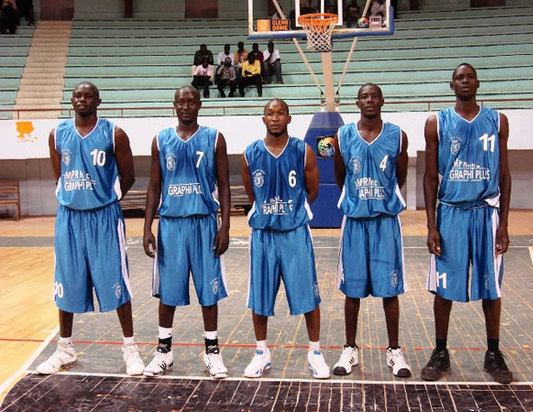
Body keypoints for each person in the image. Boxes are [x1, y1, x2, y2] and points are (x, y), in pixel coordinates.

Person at [36, 82, 144, 376]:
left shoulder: (114, 133)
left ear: (98, 100)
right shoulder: (57, 134)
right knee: (66, 282)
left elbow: (129, 176)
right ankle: (65, 349)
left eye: (88, 96)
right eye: (77, 96)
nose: (82, 100)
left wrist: (105, 198)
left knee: (116, 280)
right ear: (71, 101)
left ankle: (130, 349)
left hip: (104, 217)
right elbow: (59, 177)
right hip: (69, 218)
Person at [421, 63, 513, 384]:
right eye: (459, 77)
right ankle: (441, 351)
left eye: (470, 76)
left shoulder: (498, 120)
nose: (465, 81)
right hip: (450, 213)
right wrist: (431, 225)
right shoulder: (437, 122)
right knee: (443, 288)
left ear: (477, 82)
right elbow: (430, 177)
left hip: (486, 213)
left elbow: (503, 175)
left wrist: (503, 224)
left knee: (491, 286)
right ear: (452, 85)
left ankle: (493, 353)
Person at [142, 86, 230, 379]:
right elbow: (154, 186)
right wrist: (147, 228)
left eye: (191, 101)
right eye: (181, 101)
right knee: (168, 292)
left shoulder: (214, 137)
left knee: (209, 291)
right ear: (174, 104)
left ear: (200, 104)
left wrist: (225, 225)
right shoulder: (161, 139)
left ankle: (212, 351)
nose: (186, 106)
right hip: (171, 224)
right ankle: (164, 352)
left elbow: (224, 185)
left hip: (204, 223)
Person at [241, 98, 330, 380]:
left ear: (289, 118)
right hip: (264, 234)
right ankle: (261, 353)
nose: (275, 118)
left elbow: (312, 191)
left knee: (308, 295)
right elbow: (251, 193)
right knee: (260, 297)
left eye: (281, 113)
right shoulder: (250, 153)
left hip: (295, 233)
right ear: (263, 119)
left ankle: (315, 353)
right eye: (270, 113)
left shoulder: (302, 151)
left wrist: (290, 210)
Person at [332, 83, 412, 378]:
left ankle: (394, 351)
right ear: (357, 102)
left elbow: (399, 176)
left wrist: (379, 198)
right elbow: (340, 176)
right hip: (354, 221)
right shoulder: (343, 136)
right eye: (364, 96)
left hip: (385, 221)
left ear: (382, 100)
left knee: (389, 290)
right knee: (352, 291)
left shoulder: (397, 135)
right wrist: (357, 199)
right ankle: (350, 349)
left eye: (374, 96)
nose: (369, 100)